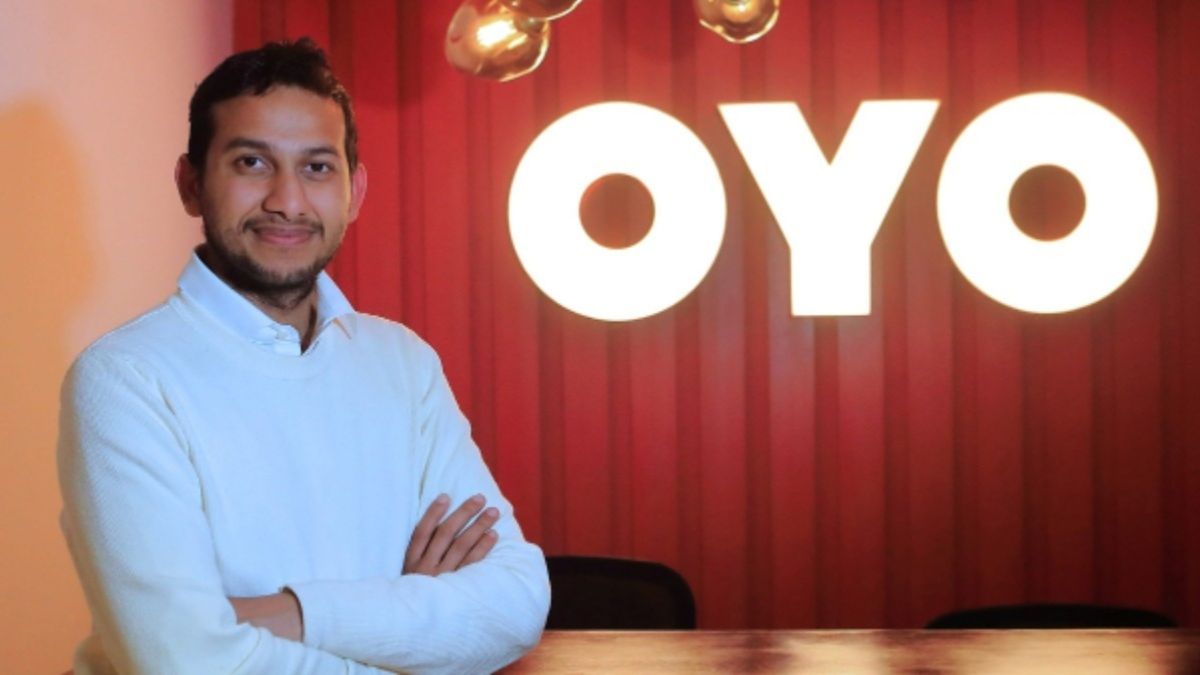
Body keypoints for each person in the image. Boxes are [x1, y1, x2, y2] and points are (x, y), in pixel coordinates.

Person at [57, 38, 549, 674]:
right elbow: (189, 663)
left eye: (317, 167)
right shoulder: (124, 380)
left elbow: (515, 602)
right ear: (191, 184)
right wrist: (410, 629)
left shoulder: (402, 363)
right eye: (252, 163)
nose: (287, 201)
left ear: (355, 191)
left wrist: (284, 613)